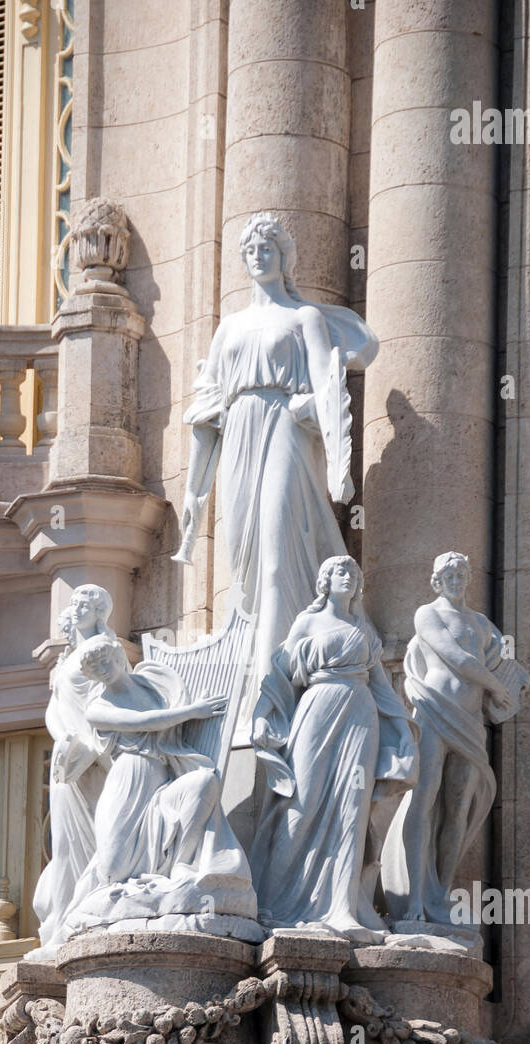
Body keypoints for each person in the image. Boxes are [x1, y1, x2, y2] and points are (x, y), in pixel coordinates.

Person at [174, 212, 379, 716]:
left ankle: (271, 689)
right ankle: (257, 668)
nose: (258, 255)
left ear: (284, 256)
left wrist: (336, 460)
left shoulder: (303, 318)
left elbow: (325, 387)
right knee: (242, 561)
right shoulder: (230, 328)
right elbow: (208, 410)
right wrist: (193, 495)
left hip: (284, 430)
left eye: (268, 247)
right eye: (250, 250)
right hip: (240, 431)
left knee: (276, 549)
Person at [250, 556, 418, 941]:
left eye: (355, 573)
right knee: (302, 800)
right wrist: (263, 715)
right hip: (317, 707)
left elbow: (380, 685)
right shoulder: (307, 622)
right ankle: (271, 900)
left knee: (352, 807)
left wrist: (404, 731)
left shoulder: (363, 627)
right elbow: (278, 675)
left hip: (360, 713)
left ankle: (342, 906)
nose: (350, 577)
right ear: (325, 580)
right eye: (341, 571)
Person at [60, 635, 257, 933]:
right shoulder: (97, 708)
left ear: (118, 656)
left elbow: (172, 707)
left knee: (204, 781)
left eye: (105, 660)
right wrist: (193, 711)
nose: (102, 669)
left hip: (164, 776)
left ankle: (183, 863)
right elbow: (144, 722)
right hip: (128, 781)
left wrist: (197, 706)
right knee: (112, 869)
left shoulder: (153, 683)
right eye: (94, 667)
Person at [381, 552, 521, 926]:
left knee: (459, 806)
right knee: (424, 795)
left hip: (471, 722)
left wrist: (508, 686)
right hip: (434, 711)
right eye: (449, 573)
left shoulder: (482, 624)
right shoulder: (428, 614)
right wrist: (496, 685)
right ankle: (412, 897)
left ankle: (438, 895)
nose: (456, 578)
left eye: (462, 572)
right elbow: (457, 658)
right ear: (436, 581)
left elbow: (500, 666)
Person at [27, 585, 117, 960]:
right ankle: (64, 921)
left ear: (100, 613)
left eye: (87, 604)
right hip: (68, 761)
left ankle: (93, 912)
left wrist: (91, 747)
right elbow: (55, 706)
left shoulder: (105, 652)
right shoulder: (65, 659)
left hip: (95, 760)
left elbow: (115, 701)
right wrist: (63, 736)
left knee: (100, 836)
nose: (78, 607)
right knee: (64, 844)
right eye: (76, 602)